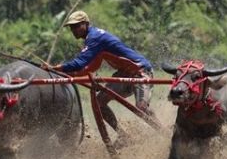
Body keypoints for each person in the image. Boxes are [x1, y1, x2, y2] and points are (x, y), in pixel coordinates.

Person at [45, 10, 157, 150]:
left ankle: (166, 134)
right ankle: (124, 136)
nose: (74, 30)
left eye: (77, 26)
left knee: (141, 108)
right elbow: (89, 67)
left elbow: (79, 63)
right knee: (99, 102)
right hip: (124, 74)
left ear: (86, 24)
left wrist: (56, 68)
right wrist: (70, 75)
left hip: (140, 71)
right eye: (71, 27)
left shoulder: (94, 38)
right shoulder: (94, 38)